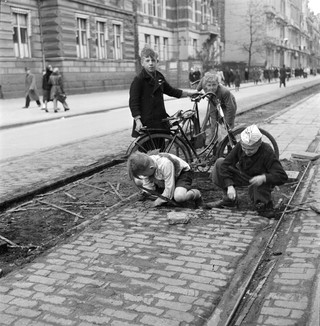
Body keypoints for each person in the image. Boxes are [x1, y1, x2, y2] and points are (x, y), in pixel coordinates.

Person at [208, 125, 288, 218]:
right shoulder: (240, 146)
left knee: (263, 203)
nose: (246, 152)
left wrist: (264, 178)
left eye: (251, 149)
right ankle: (229, 199)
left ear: (259, 145)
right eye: (244, 148)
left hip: (259, 181)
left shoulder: (267, 151)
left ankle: (263, 206)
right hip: (244, 175)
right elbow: (226, 164)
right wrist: (229, 185)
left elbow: (282, 176)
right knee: (219, 163)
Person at [129, 47, 196, 138]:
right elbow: (133, 102)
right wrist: (138, 121)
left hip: (159, 120)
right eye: (147, 61)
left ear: (157, 62)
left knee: (161, 150)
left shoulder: (159, 76)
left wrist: (189, 94)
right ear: (142, 63)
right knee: (147, 150)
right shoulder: (139, 80)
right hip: (146, 122)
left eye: (153, 60)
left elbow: (171, 91)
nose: (151, 63)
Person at [127, 152, 202, 207]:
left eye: (144, 174)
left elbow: (169, 188)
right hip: (164, 176)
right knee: (138, 181)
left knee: (179, 197)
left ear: (151, 168)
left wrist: (156, 202)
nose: (144, 176)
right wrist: (145, 193)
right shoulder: (147, 165)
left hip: (182, 173)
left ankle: (196, 194)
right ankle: (166, 193)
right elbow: (148, 185)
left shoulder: (165, 164)